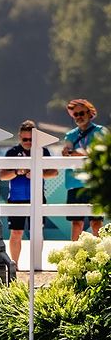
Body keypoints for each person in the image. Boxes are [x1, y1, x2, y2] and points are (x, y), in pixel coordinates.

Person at [0, 120, 55, 265]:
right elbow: (2, 176)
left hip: (37, 198)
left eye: (31, 139)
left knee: (36, 234)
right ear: (19, 137)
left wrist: (38, 173)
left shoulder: (42, 151)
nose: (28, 142)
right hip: (16, 198)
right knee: (16, 233)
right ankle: (15, 265)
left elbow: (54, 172)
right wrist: (18, 172)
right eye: (25, 139)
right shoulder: (12, 152)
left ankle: (35, 264)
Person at [61, 98, 105, 240]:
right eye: (75, 115)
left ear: (90, 113)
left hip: (95, 183)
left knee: (97, 222)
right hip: (75, 184)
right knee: (76, 223)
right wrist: (66, 154)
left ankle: (101, 258)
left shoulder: (101, 131)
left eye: (81, 113)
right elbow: (68, 154)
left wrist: (79, 153)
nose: (79, 117)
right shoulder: (70, 135)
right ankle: (73, 258)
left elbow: (102, 154)